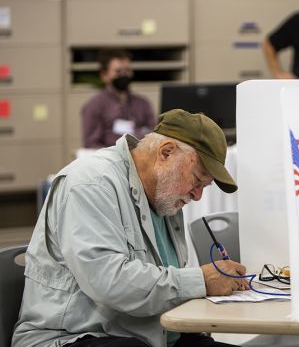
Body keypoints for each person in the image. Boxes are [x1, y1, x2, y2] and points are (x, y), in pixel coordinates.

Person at [13, 109, 249, 347]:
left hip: (149, 332)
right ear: (166, 152)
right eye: (197, 180)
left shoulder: (164, 197)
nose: (197, 196)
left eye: (204, 187)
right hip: (73, 336)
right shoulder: (90, 183)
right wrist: (201, 281)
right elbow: (108, 282)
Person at [82, 49, 156, 148]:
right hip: (110, 160)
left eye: (127, 70)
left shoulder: (143, 103)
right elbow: (92, 144)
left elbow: (154, 135)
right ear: (104, 75)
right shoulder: (95, 105)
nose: (124, 75)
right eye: (118, 71)